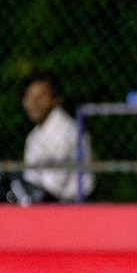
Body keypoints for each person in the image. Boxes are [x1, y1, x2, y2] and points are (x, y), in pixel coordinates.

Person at [21, 71, 93, 201]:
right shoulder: (34, 135)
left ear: (55, 99)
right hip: (46, 202)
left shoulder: (64, 129)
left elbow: (53, 185)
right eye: (29, 97)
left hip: (72, 205)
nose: (34, 103)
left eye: (41, 97)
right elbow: (30, 180)